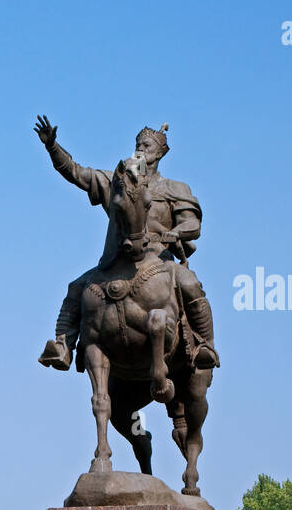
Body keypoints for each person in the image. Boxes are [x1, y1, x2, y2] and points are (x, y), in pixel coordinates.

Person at [34, 116, 218, 372]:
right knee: (76, 287)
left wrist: (174, 233)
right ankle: (63, 346)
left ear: (160, 153)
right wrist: (53, 147)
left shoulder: (175, 188)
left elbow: (192, 225)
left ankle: (204, 345)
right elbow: (76, 172)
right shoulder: (115, 183)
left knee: (190, 283)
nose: (141, 149)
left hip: (158, 257)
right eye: (138, 145)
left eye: (147, 146)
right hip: (116, 258)